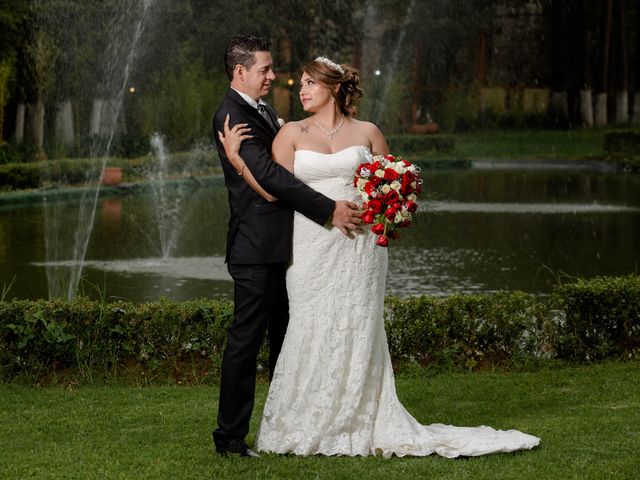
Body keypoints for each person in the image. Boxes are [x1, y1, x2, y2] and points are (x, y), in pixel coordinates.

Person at [219, 56, 541, 458]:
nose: (300, 90)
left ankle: (361, 417)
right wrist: (236, 161)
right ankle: (303, 422)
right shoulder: (289, 135)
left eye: (309, 83)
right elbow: (274, 190)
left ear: (333, 88)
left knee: (359, 325)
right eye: (299, 83)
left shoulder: (368, 132)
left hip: (360, 248)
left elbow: (392, 184)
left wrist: (392, 211)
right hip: (311, 246)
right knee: (310, 326)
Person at [211, 35, 363, 458]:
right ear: (240, 72)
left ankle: (291, 424)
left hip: (287, 247)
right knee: (246, 339)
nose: (273, 76)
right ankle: (229, 438)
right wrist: (330, 209)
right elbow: (273, 183)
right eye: (264, 69)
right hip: (256, 248)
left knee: (288, 338)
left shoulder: (261, 112)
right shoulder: (231, 116)